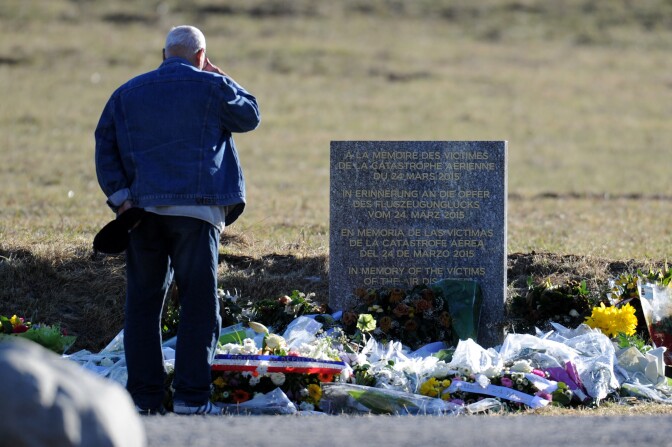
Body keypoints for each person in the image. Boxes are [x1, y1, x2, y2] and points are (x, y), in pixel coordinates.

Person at [94, 25, 260, 415]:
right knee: (200, 307)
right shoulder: (212, 86)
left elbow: (105, 146)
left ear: (164, 53)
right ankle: (191, 398)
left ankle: (145, 400)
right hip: (198, 214)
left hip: (141, 214)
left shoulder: (126, 92)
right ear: (201, 56)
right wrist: (220, 76)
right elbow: (250, 116)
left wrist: (121, 199)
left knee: (143, 308)